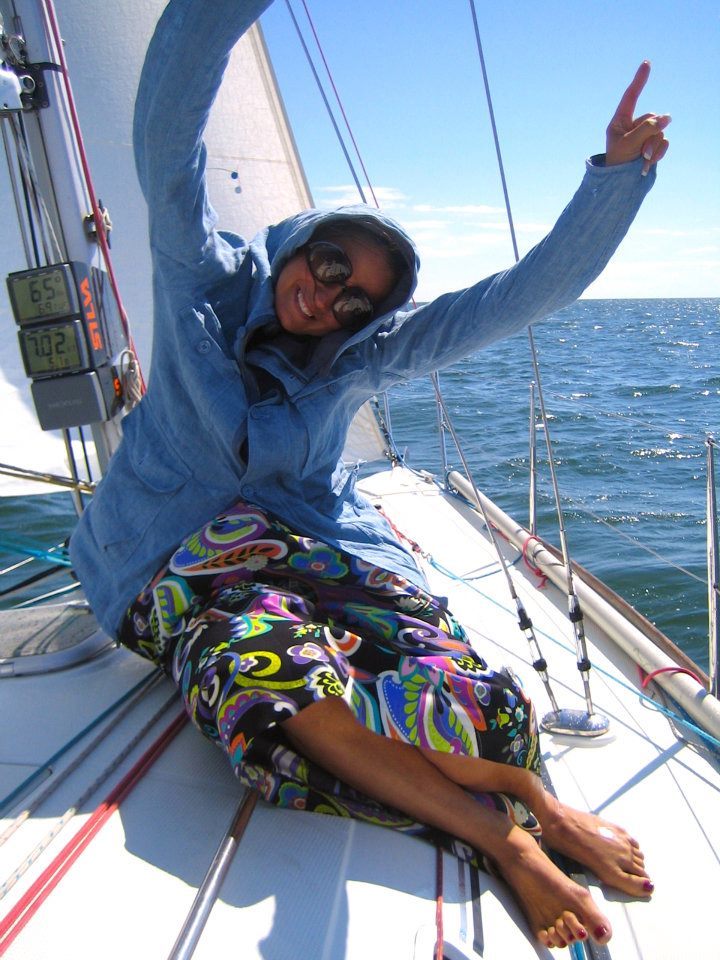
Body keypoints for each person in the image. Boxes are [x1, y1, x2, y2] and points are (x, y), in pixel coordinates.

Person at [69, 0, 669, 950]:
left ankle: (530, 793)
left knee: (477, 699)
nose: (327, 297)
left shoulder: (362, 357)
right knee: (255, 669)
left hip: (310, 551)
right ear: (298, 243)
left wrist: (615, 181)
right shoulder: (200, 282)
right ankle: (507, 835)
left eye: (356, 299)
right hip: (169, 564)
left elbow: (515, 300)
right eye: (328, 262)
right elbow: (167, 136)